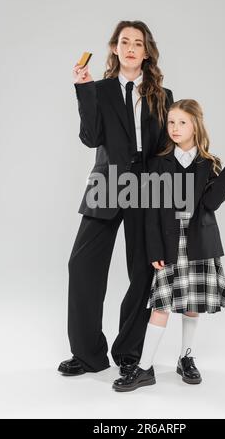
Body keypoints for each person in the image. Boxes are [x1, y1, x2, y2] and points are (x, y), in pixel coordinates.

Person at [58, 20, 174, 377]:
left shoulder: (162, 95)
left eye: (137, 43)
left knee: (143, 271)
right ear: (114, 48)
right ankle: (88, 354)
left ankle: (129, 354)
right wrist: (83, 90)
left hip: (147, 185)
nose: (130, 48)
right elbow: (91, 138)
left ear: (146, 51)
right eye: (124, 41)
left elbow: (165, 148)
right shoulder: (101, 89)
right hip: (107, 182)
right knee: (82, 266)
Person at [112, 99, 225, 392]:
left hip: (199, 241)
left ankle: (186, 359)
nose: (174, 128)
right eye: (171, 122)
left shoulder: (208, 162)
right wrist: (154, 250)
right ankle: (144, 368)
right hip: (168, 242)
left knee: (192, 306)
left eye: (182, 123)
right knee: (160, 305)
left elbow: (211, 203)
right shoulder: (158, 162)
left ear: (195, 126)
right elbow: (151, 212)